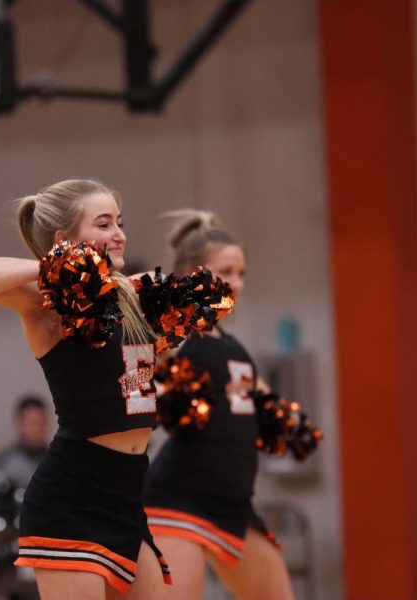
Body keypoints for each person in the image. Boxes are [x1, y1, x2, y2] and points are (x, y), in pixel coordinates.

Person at [0, 179, 173, 600]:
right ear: (65, 241)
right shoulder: (50, 306)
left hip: (127, 498)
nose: (119, 234)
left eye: (120, 222)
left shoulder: (131, 298)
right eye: (104, 223)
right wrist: (57, 265)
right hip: (73, 500)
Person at [142, 211, 294, 600]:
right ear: (195, 273)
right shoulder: (171, 334)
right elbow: (142, 397)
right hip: (179, 502)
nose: (238, 284)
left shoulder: (228, 342)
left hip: (234, 504)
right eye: (228, 271)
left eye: (242, 272)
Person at [0, 395, 50, 489]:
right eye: (32, 424)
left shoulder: (57, 462)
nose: (37, 430)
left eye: (41, 424)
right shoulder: (0, 463)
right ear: (18, 424)